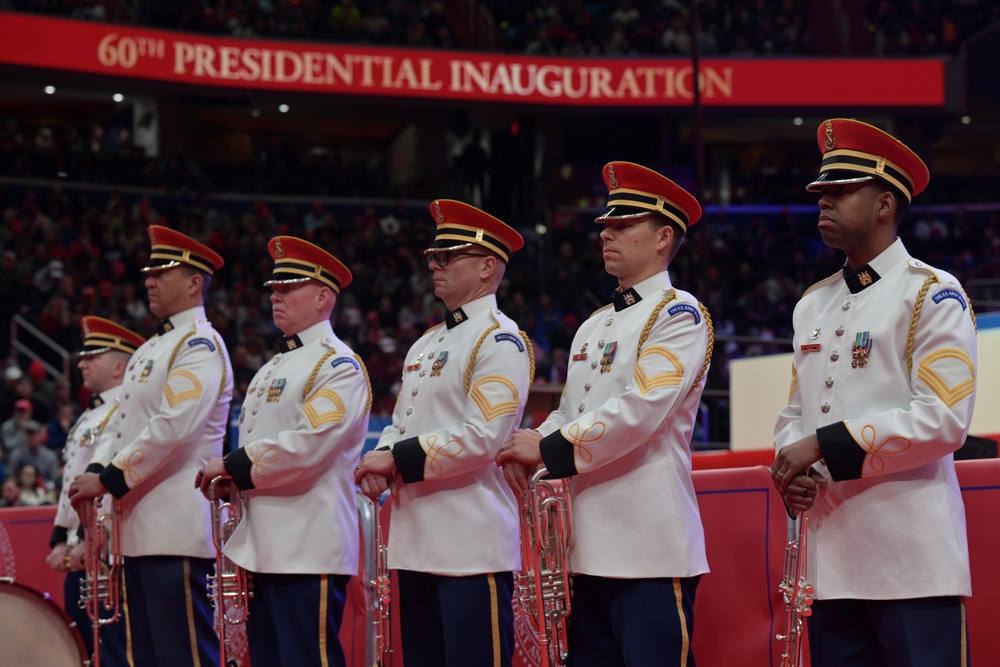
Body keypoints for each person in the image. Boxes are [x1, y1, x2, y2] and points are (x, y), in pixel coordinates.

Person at [770, 118, 976, 667]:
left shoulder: (932, 292)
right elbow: (796, 413)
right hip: (832, 559)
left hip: (911, 559)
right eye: (820, 192)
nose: (823, 202)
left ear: (885, 204)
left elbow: (944, 419)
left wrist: (821, 446)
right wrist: (791, 466)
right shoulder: (811, 303)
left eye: (840, 192)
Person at [496, 161, 713, 667]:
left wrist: (546, 448)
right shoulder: (594, 324)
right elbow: (573, 409)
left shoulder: (678, 312)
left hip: (650, 545)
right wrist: (528, 443)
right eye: (606, 225)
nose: (607, 234)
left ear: (663, 237)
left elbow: (641, 410)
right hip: (587, 545)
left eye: (623, 225)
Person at [354, 199, 532, 667]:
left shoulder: (500, 338)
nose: (435, 264)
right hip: (415, 541)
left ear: (487, 267)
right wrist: (381, 457)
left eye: (448, 256)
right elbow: (401, 421)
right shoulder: (426, 341)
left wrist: (391, 460)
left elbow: (483, 436)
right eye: (434, 256)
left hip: (471, 545)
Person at [197, 236, 372, 667]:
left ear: (322, 296)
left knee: (305, 659)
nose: (275, 295)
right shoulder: (273, 366)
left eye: (287, 287)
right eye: (274, 288)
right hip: (266, 544)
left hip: (308, 544)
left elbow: (307, 446)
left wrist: (233, 468)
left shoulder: (338, 364)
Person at [69, 225, 233, 667]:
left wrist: (106, 478)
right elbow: (120, 425)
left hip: (173, 527)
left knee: (183, 655)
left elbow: (174, 426)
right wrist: (97, 471)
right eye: (149, 273)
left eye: (162, 272)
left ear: (195, 283)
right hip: (135, 527)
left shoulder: (199, 344)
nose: (149, 281)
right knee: (146, 656)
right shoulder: (150, 349)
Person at [46, 316, 143, 663]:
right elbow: (71, 482)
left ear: (120, 366)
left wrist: (97, 538)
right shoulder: (88, 415)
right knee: (86, 650)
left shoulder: (125, 410)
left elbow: (115, 478)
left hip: (105, 551)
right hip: (80, 549)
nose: (82, 363)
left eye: (92, 357)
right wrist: (61, 539)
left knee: (115, 650)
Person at [9, 420, 60, 485]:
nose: (30, 437)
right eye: (28, 434)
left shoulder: (50, 456)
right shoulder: (17, 454)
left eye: (33, 434)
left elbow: (54, 479)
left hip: (44, 491)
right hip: (21, 490)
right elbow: (10, 475)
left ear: (40, 435)